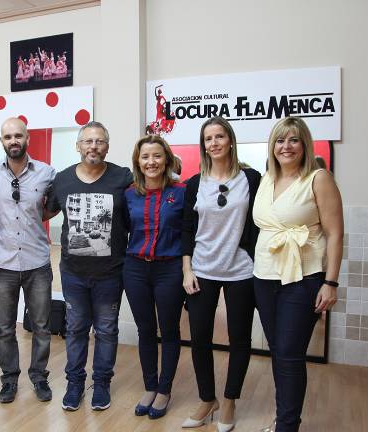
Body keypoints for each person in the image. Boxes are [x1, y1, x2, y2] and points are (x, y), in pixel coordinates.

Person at [253, 117, 342, 432]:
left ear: (305, 144)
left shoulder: (318, 178)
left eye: (293, 140)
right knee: (278, 353)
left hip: (304, 278)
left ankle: (287, 426)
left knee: (290, 354)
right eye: (280, 140)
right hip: (264, 276)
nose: (286, 146)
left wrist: (330, 282)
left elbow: (335, 233)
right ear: (272, 146)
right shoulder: (267, 178)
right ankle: (283, 419)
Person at [45, 121, 132, 412]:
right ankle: (75, 383)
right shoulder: (63, 179)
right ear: (78, 146)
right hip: (73, 273)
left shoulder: (123, 177)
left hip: (111, 273)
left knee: (106, 330)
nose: (93, 146)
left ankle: (102, 383)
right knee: (76, 329)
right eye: (88, 141)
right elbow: (45, 210)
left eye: (99, 141)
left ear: (107, 146)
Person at [181, 116, 261, 431]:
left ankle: (229, 401)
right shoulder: (194, 183)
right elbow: (187, 229)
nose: (213, 143)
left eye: (219, 136)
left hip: (241, 270)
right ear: (203, 145)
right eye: (208, 138)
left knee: (239, 339)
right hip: (202, 269)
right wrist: (187, 269)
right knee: (200, 338)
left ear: (230, 140)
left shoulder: (251, 179)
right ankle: (207, 399)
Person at [0, 118, 56, 404]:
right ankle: (9, 379)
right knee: (4, 329)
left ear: (27, 138)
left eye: (18, 136)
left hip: (37, 263)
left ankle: (39, 376)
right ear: (2, 141)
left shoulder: (47, 173)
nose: (13, 141)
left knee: (41, 327)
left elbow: (54, 205)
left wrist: (37, 218)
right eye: (8, 137)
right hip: (2, 264)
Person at [123, 135, 186, 419]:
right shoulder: (129, 194)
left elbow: (189, 232)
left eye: (157, 156)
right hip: (135, 268)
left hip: (169, 269)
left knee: (169, 330)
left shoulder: (181, 192)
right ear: (138, 162)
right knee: (145, 330)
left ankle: (164, 389)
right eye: (145, 157)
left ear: (167, 159)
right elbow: (125, 227)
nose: (151, 162)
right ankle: (150, 386)